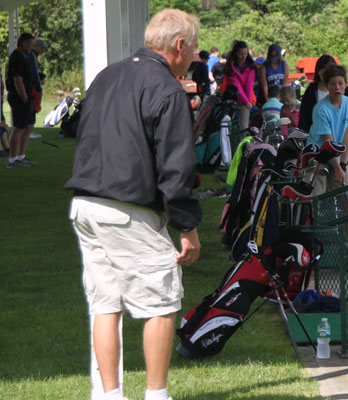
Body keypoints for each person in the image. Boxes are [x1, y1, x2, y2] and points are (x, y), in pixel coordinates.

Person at [64, 9, 202, 400]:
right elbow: (177, 168)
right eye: (193, 47)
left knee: (106, 303)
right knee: (162, 300)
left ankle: (109, 395)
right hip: (128, 209)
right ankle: (156, 395)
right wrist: (187, 227)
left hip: (86, 204)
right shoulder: (168, 89)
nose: (194, 54)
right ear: (179, 45)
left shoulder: (107, 76)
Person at [304, 64, 348, 196]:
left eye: (340, 83)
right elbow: (328, 142)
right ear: (327, 86)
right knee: (316, 195)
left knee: (347, 194)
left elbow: (347, 134)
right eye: (333, 84)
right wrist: (338, 168)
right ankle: (314, 216)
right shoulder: (320, 109)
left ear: (346, 84)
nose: (337, 87)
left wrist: (343, 165)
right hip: (319, 155)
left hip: (338, 155)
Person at [297, 54, 348, 132]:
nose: (337, 88)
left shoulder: (347, 92)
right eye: (322, 75)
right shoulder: (312, 90)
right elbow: (304, 116)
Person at [219, 40, 268, 131]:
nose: (243, 57)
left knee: (244, 126)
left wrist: (248, 101)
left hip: (246, 99)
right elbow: (235, 85)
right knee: (227, 127)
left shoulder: (251, 66)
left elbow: (249, 85)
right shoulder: (230, 67)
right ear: (235, 53)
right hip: (232, 98)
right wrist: (246, 101)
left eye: (245, 54)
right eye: (241, 54)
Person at [5, 33, 37, 168]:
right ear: (23, 43)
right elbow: (18, 80)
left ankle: (21, 156)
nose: (32, 47)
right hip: (19, 97)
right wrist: (24, 98)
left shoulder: (23, 57)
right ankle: (12, 159)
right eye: (31, 44)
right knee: (19, 127)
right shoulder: (16, 57)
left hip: (26, 96)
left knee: (28, 126)